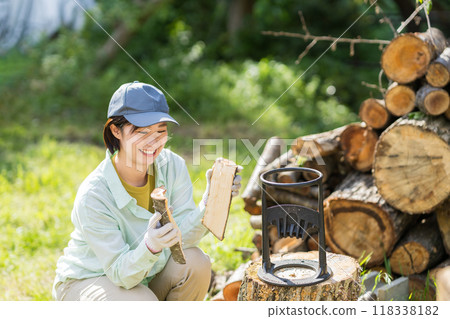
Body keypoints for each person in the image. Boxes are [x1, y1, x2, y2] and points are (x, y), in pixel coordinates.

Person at [52, 81, 242, 301]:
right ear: (116, 130)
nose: (153, 142)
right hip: (91, 280)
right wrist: (151, 245)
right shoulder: (94, 195)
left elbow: (182, 241)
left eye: (160, 131)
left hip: (144, 275)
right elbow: (119, 273)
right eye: (142, 132)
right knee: (143, 302)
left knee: (196, 263)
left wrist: (211, 203)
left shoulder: (172, 165)